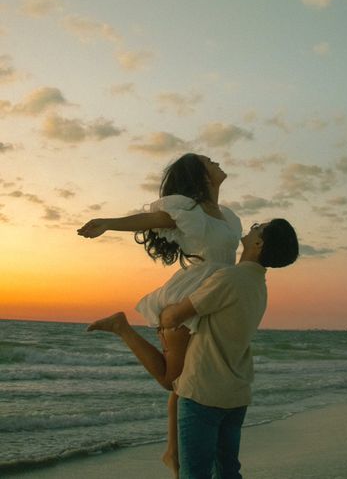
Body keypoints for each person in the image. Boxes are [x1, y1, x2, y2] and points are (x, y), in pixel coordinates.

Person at [77, 153, 242, 477]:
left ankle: (172, 452)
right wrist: (109, 223)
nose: (216, 161)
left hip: (218, 293)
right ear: (200, 174)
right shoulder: (187, 210)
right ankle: (122, 327)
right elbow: (151, 220)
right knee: (173, 380)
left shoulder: (226, 215)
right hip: (192, 293)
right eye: (209, 160)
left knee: (186, 382)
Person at [159, 218, 299, 479]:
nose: (252, 227)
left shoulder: (230, 278)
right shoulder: (259, 285)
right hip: (235, 394)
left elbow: (173, 318)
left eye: (258, 227)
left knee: (196, 474)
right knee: (227, 471)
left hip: (204, 392)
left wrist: (163, 308)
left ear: (258, 243)